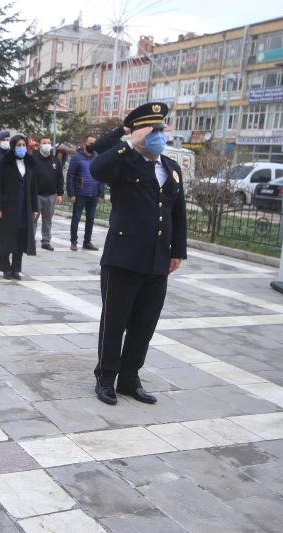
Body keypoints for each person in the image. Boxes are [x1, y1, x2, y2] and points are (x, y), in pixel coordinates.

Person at [89, 102, 187, 406]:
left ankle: (130, 378)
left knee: (145, 323)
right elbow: (96, 166)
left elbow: (178, 212)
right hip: (123, 257)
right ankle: (106, 378)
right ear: (143, 134)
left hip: (157, 260)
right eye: (154, 131)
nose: (160, 136)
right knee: (115, 321)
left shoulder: (171, 168)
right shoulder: (125, 162)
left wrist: (177, 251)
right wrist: (128, 138)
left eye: (162, 130)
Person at [0, 134, 39, 280]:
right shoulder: (6, 163)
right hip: (8, 206)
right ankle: (5, 268)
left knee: (20, 236)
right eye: (18, 145)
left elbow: (33, 187)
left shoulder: (30, 163)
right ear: (13, 147)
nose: (21, 148)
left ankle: (16, 268)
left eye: (23, 145)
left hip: (24, 206)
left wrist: (35, 208)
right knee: (6, 237)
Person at [67, 135, 104, 251]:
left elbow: (101, 176)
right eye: (90, 143)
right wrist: (71, 193)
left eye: (94, 143)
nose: (92, 145)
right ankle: (73, 241)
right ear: (85, 144)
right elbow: (70, 176)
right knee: (76, 218)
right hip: (80, 194)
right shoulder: (76, 158)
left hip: (93, 194)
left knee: (90, 219)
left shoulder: (97, 158)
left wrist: (101, 193)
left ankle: (87, 242)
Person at [33, 136, 64, 251]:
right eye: (44, 143)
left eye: (48, 143)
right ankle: (31, 241)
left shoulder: (55, 160)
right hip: (36, 195)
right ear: (39, 145)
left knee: (47, 220)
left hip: (50, 195)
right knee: (33, 219)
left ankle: (46, 241)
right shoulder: (33, 159)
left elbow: (60, 178)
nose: (46, 145)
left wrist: (60, 194)